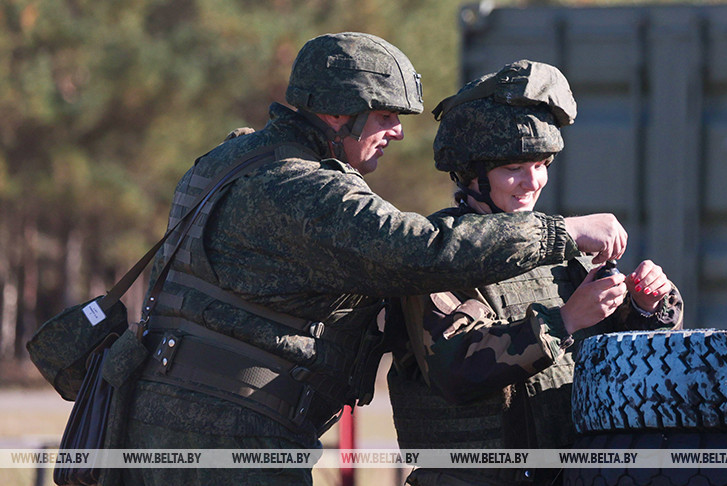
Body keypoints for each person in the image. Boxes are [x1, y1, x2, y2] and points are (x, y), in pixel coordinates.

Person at [110, 34, 629, 486]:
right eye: (384, 115)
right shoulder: (302, 187)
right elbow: (419, 252)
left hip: (157, 419)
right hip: (233, 434)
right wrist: (562, 232)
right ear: (338, 113)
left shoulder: (231, 160)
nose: (397, 132)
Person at [386, 60, 684, 486]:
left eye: (541, 164)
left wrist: (644, 306)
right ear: (471, 174)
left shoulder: (559, 251)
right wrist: (565, 319)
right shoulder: (438, 253)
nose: (532, 182)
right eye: (513, 169)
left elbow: (618, 365)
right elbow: (456, 371)